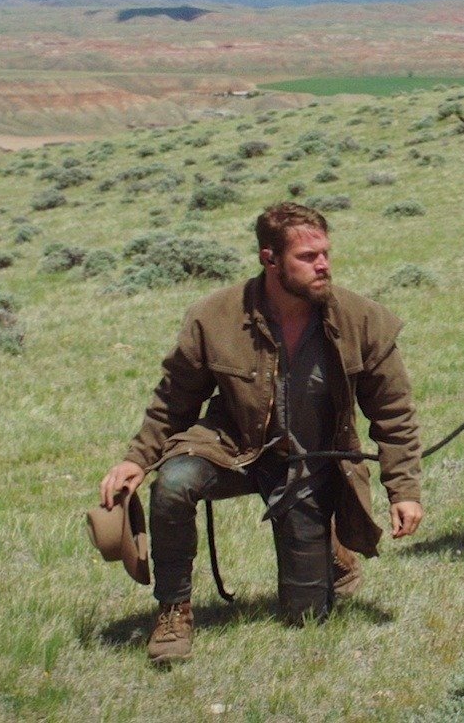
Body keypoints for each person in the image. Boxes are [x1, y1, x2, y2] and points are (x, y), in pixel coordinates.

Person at [98, 201, 425, 663]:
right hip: (232, 450)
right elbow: (174, 400)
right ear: (269, 259)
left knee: (306, 616)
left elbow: (394, 414)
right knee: (172, 483)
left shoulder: (362, 320)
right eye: (307, 257)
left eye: (325, 253)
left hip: (309, 467)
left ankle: (330, 545)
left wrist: (403, 490)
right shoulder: (213, 318)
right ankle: (173, 611)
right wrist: (137, 458)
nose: (323, 265)